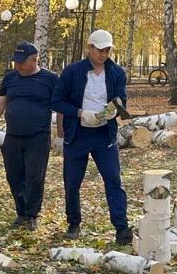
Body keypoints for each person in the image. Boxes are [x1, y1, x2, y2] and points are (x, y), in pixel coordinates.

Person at [51, 29, 131, 244]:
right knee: (72, 181)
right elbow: (57, 101)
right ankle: (74, 223)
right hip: (78, 133)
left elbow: (121, 99)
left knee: (113, 179)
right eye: (100, 50)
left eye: (107, 50)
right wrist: (80, 113)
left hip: (104, 135)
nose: (103, 54)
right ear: (90, 48)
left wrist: (113, 110)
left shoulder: (116, 73)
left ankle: (122, 228)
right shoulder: (73, 72)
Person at [0, 41, 59, 231]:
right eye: (15, 62)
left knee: (34, 177)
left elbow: (61, 108)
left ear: (34, 59)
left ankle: (31, 214)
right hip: (13, 136)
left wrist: (61, 136)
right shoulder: (10, 79)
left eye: (22, 62)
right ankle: (21, 212)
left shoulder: (50, 79)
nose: (18, 66)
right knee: (14, 176)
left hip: (38, 137)